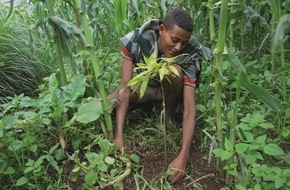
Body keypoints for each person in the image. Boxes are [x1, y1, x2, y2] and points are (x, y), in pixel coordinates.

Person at [108, 8, 203, 183]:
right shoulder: (136, 39)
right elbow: (124, 88)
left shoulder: (191, 51)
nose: (178, 48)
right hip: (147, 87)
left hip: (174, 91)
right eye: (174, 40)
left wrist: (184, 155)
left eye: (183, 42)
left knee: (173, 72)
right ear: (161, 30)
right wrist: (119, 135)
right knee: (109, 101)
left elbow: (190, 109)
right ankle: (147, 107)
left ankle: (166, 119)